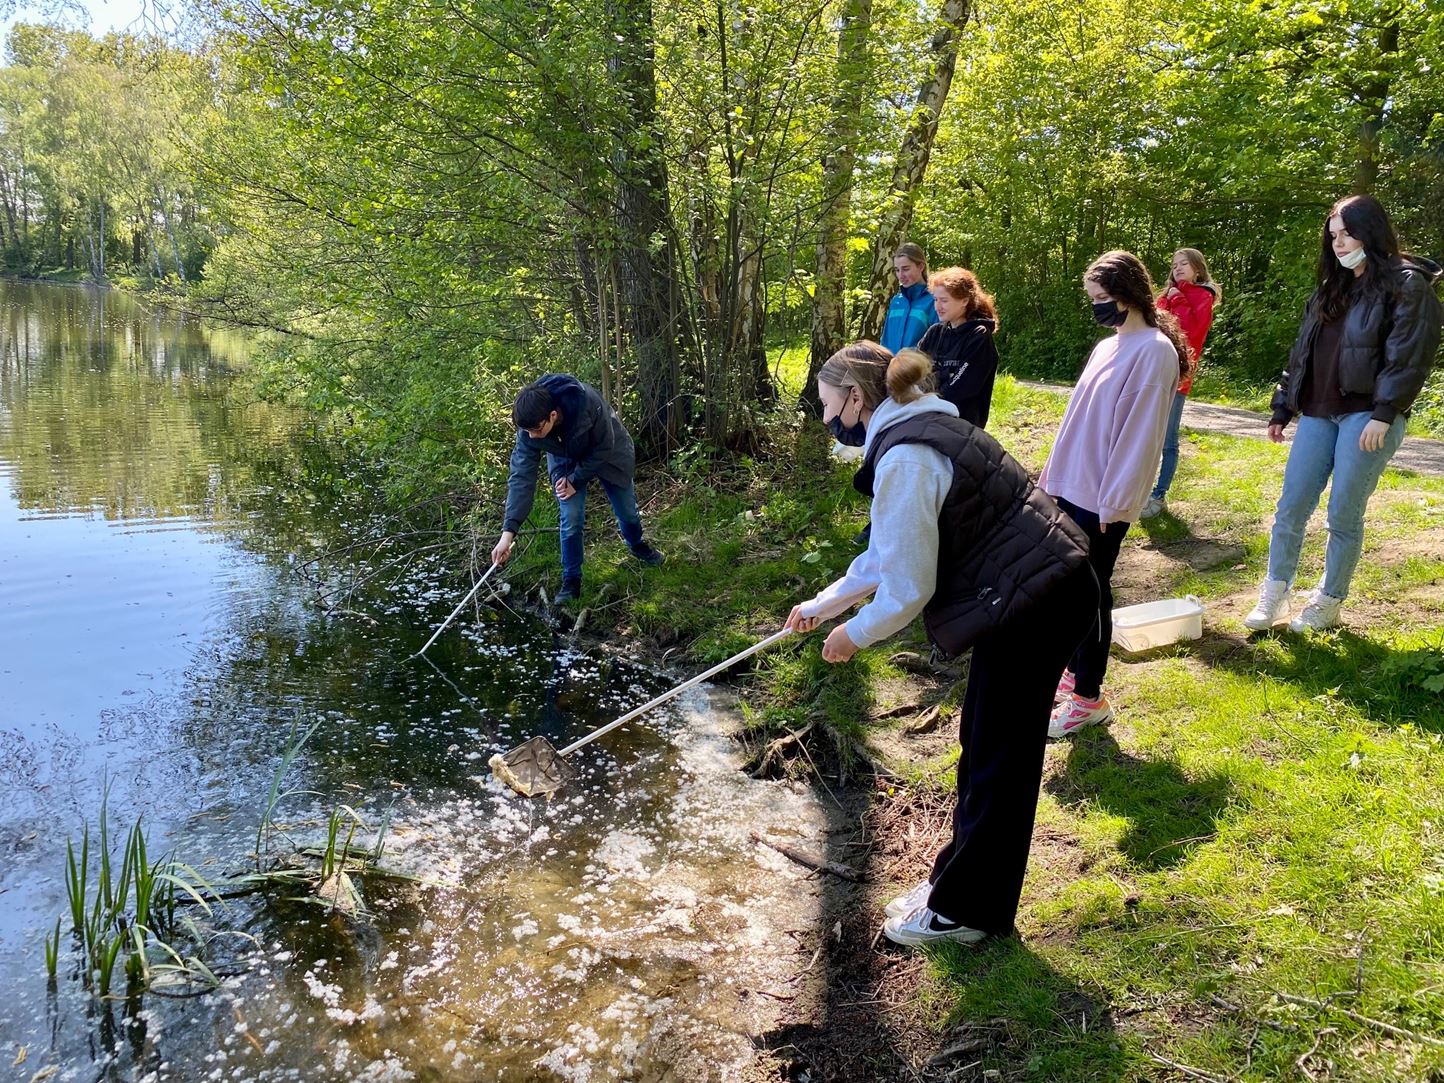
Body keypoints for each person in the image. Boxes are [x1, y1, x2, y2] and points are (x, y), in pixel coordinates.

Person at [783, 341, 1096, 947]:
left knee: (998, 761)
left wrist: (854, 635)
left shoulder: (906, 459)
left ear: (856, 398)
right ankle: (956, 885)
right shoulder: (922, 427)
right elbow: (889, 550)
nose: (827, 422)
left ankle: (967, 912)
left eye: (827, 407)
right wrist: (825, 605)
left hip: (1039, 602)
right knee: (981, 742)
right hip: (1035, 591)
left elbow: (907, 587)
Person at [1245, 195, 1442, 633]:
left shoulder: (1407, 285)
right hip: (1317, 412)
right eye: (1332, 235)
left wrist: (1385, 412)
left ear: (1370, 232)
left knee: (1342, 514)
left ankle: (1328, 602)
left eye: (1347, 233)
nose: (1338, 243)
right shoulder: (1330, 286)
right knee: (1291, 508)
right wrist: (1283, 405)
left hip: (1366, 416)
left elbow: (1409, 356)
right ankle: (1275, 593)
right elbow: (1302, 353)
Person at [1038, 251, 1192, 739]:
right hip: (1073, 485)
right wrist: (1051, 479)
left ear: (1128, 295)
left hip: (1104, 498)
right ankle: (1077, 669)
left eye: (1102, 299)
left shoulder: (1154, 352)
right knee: (1070, 587)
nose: (1097, 308)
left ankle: (1089, 697)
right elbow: (1076, 421)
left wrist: (1117, 500)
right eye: (1093, 301)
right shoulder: (1109, 346)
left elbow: (1140, 437)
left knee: (1092, 591)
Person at [492, 374, 665, 604]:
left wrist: (576, 480)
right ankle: (571, 580)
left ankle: (636, 544)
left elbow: (605, 445)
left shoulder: (587, 402)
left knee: (628, 513)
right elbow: (521, 477)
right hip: (565, 459)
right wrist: (507, 534)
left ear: (552, 416)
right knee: (571, 517)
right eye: (527, 432)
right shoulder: (529, 427)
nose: (531, 436)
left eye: (536, 429)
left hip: (609, 454)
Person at [1142, 248, 1220, 518]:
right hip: (1151, 376)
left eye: (1184, 264)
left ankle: (1158, 495)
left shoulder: (1202, 296)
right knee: (1144, 435)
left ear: (1197, 268)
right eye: (1174, 264)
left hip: (1178, 379)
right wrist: (1171, 297)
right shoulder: (1165, 297)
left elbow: (1188, 332)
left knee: (1167, 440)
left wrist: (1179, 299)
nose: (1177, 268)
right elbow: (1153, 329)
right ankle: (1139, 490)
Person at [916, 266, 1000, 428]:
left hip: (961, 426)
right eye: (935, 300)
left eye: (944, 300)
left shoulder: (979, 336)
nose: (937, 306)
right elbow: (914, 372)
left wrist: (926, 401)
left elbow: (960, 389)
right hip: (928, 419)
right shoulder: (935, 332)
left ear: (964, 301)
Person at [878, 242, 938, 354]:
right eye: (897, 270)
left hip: (920, 369)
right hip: (891, 369)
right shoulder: (896, 302)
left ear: (921, 266)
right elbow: (885, 341)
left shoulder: (934, 300)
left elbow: (938, 343)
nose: (901, 275)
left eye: (905, 269)